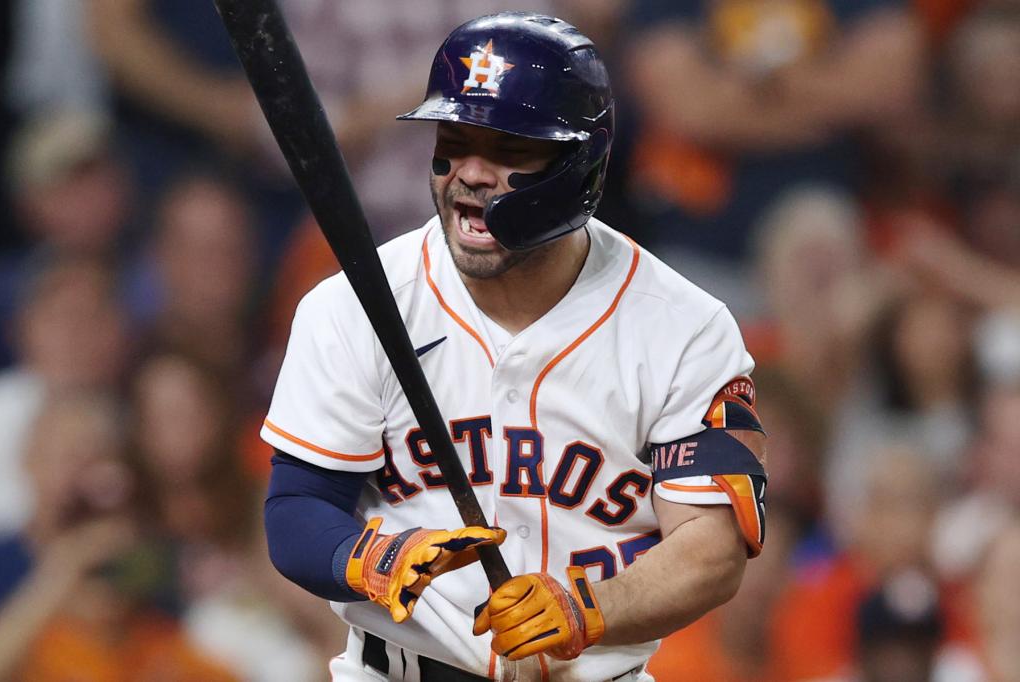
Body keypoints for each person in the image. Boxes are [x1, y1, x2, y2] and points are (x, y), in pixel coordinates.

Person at [262, 13, 767, 682]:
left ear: (582, 162)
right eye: (456, 139)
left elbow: (711, 551)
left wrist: (591, 609)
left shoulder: (683, 328)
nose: (471, 173)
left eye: (508, 149)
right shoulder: (357, 303)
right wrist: (368, 558)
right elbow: (297, 511)